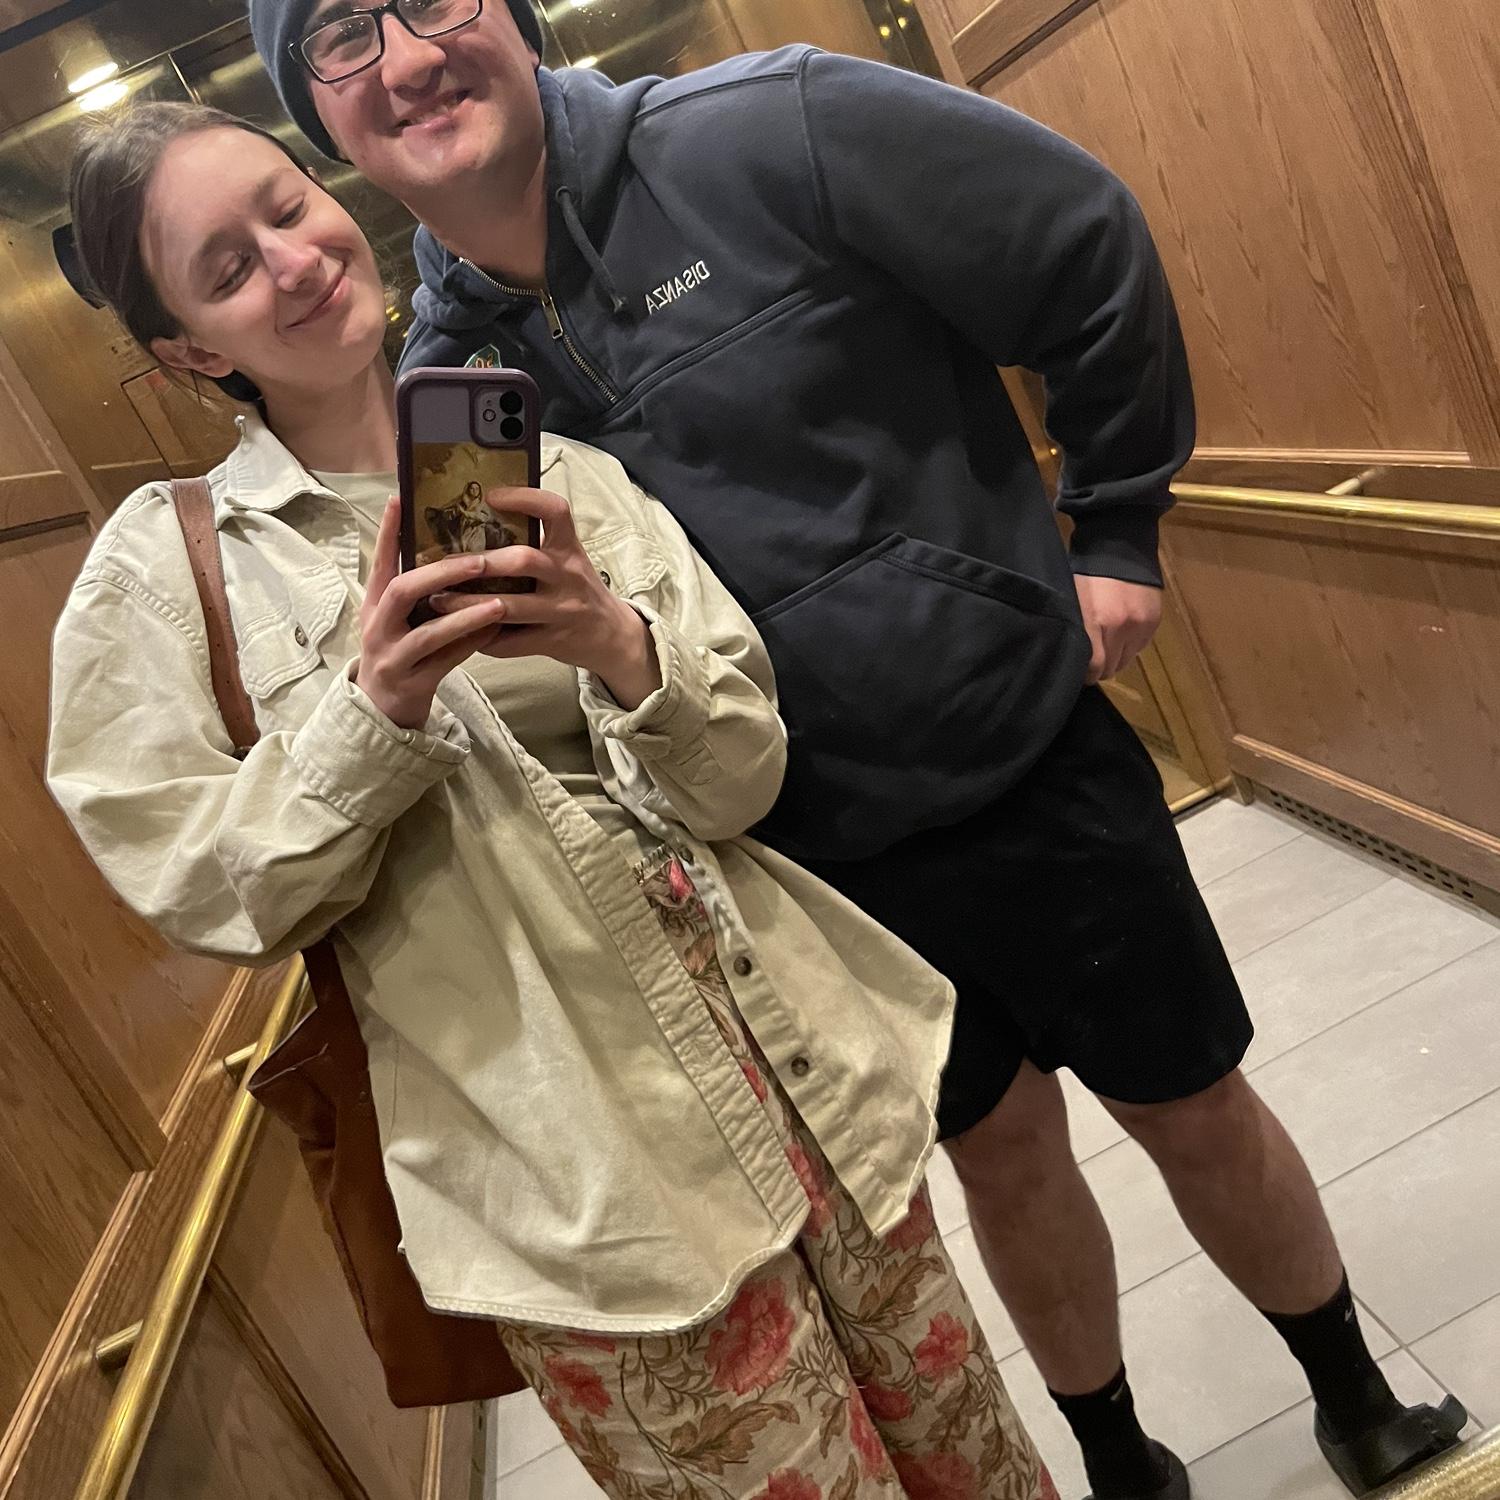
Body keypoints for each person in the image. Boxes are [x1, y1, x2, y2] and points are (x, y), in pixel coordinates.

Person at [243, 3, 1469, 1496]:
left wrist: (1122, 523)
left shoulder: (770, 125)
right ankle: (1120, 1463)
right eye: (340, 41)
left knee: (1189, 1100)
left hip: (1021, 755)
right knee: (1000, 1157)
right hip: (794, 851)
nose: (407, 53)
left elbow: (1081, 240)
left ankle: (1355, 1397)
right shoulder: (450, 380)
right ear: (321, 118)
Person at [47, 102, 1056, 1500]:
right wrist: (373, 711)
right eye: (226, 267)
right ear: (188, 351)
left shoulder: (563, 474)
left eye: (286, 207)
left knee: (984, 1470)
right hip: (588, 1200)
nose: (290, 260)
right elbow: (207, 892)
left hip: (809, 1088)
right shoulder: (160, 574)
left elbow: (745, 772)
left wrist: (611, 643)